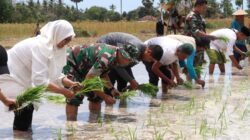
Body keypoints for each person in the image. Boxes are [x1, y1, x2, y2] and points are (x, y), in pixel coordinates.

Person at [0, 20, 78, 131]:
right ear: (57, 34)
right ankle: (21, 135)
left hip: (23, 79)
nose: (65, 44)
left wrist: (69, 83)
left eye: (68, 41)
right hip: (9, 76)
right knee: (25, 106)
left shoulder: (53, 47)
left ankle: (22, 134)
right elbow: (40, 81)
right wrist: (64, 92)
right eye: (65, 40)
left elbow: (53, 73)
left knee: (26, 107)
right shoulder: (40, 46)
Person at [63, 43, 140, 121]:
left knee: (96, 97)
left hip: (86, 68)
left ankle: (93, 122)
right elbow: (89, 79)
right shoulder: (106, 58)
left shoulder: (115, 58)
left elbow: (103, 74)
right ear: (122, 54)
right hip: (72, 62)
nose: (128, 63)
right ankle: (71, 126)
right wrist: (105, 97)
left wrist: (112, 89)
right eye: (128, 59)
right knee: (75, 95)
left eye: (131, 61)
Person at [96, 32, 163, 91]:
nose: (149, 61)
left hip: (116, 54)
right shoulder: (135, 49)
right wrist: (131, 81)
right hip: (104, 45)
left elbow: (126, 66)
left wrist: (132, 80)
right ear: (148, 52)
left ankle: (121, 102)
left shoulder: (141, 55)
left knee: (123, 81)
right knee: (111, 76)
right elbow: (118, 65)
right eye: (150, 59)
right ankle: (108, 99)